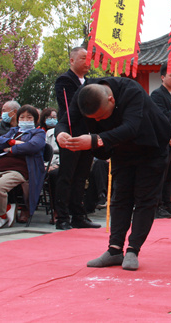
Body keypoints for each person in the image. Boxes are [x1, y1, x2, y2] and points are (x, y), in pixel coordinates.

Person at [56, 78, 171, 271]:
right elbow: (64, 121)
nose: (99, 121)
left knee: (145, 199)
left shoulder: (131, 91)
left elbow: (131, 128)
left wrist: (96, 139)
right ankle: (114, 249)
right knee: (120, 197)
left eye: (101, 116)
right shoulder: (84, 93)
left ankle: (133, 249)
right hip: (120, 149)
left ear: (111, 100)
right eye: (94, 119)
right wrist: (61, 134)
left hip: (151, 145)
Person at [0, 105, 46, 229]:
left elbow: (33, 146)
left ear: (35, 119)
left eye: (29, 117)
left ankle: (1, 216)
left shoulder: (38, 132)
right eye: (22, 117)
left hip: (20, 169)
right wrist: (13, 141)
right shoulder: (14, 131)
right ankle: (6, 208)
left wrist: (11, 149)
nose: (25, 120)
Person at [54, 47, 98, 230]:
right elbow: (72, 106)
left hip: (87, 135)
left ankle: (79, 215)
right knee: (67, 175)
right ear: (72, 61)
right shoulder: (64, 81)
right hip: (70, 132)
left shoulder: (90, 82)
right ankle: (62, 217)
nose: (87, 62)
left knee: (81, 176)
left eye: (88, 58)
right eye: (82, 58)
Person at [150, 61, 171, 219]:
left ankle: (167, 202)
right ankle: (157, 206)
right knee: (161, 174)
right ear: (162, 77)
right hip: (164, 140)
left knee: (170, 175)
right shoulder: (157, 94)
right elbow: (160, 117)